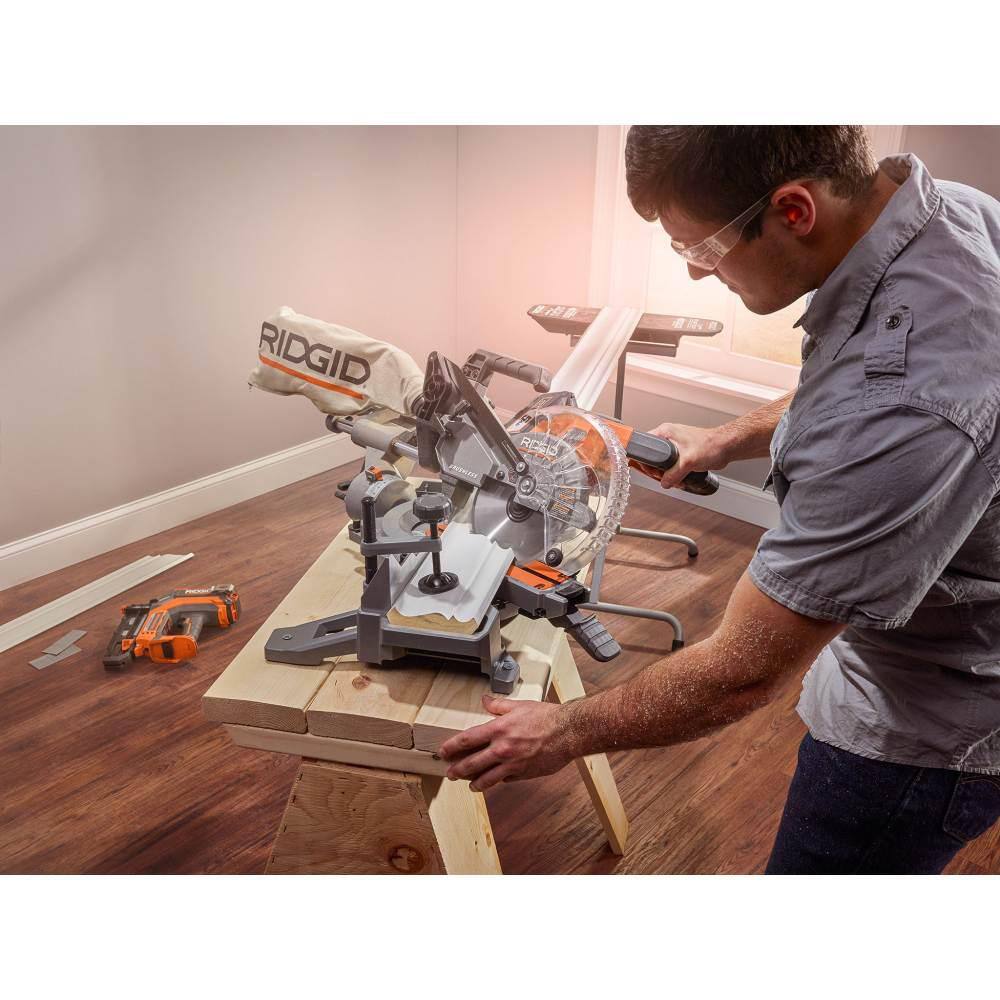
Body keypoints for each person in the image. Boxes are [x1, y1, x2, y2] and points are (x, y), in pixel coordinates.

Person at [439, 126, 1000, 874]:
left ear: (794, 210)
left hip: (930, 727)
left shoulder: (905, 404)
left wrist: (564, 732)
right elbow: (854, 380)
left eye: (701, 248)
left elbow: (742, 671)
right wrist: (725, 438)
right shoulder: (944, 216)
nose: (697, 272)